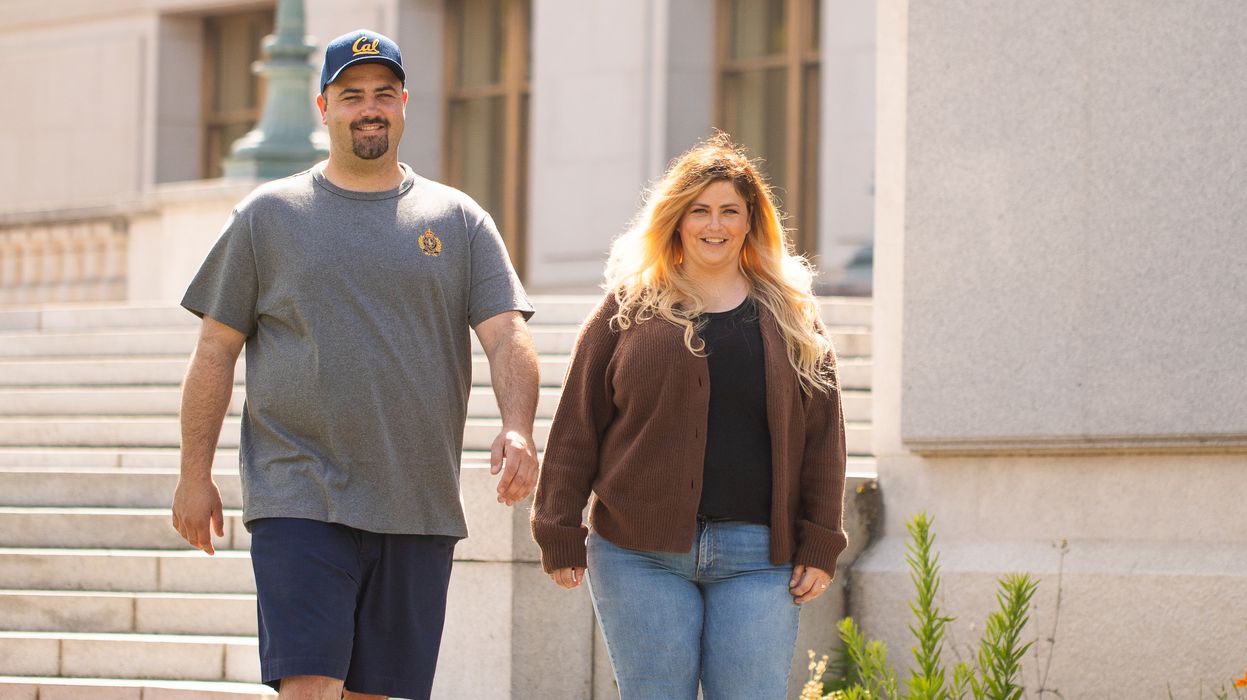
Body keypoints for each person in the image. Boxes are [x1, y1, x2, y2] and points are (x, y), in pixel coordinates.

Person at [171, 29, 539, 700]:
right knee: (309, 684)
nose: (368, 108)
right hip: (300, 493)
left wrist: (518, 425)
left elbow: (506, 333)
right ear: (323, 107)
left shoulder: (458, 219)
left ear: (403, 104)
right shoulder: (268, 216)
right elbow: (216, 349)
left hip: (417, 503)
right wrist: (194, 475)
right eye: (351, 96)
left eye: (382, 94)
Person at [530, 134, 848, 700]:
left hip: (759, 558)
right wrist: (558, 530)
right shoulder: (628, 309)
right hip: (637, 554)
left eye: (730, 210)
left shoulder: (792, 316)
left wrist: (820, 541)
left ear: (751, 222)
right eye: (699, 210)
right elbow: (577, 424)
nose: (714, 225)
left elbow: (824, 440)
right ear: (676, 220)